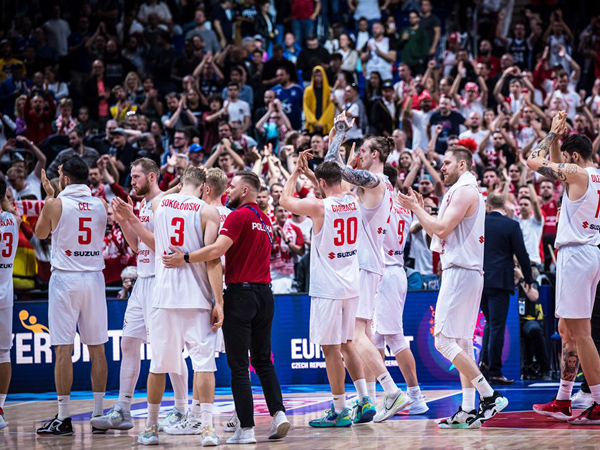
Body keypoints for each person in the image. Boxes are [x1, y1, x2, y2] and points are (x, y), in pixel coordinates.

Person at [162, 171, 291, 444]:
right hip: (265, 295)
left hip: (240, 295)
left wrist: (184, 257)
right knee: (263, 360)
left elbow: (216, 251)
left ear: (245, 190)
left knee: (239, 365)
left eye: (233, 186)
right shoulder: (266, 220)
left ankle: (246, 429)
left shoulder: (238, 216)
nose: (229, 190)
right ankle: (278, 414)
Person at [398, 146, 508, 429]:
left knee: (443, 340)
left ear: (462, 164)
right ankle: (468, 410)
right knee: (461, 343)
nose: (442, 167)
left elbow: (441, 229)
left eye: (446, 163)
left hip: (461, 272)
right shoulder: (462, 189)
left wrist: (416, 209)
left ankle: (489, 395)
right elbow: (440, 227)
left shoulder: (465, 191)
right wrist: (421, 210)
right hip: (465, 271)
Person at [90, 159, 190, 433]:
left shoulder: (166, 205)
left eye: (135, 177)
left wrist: (130, 217)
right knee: (129, 344)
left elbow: (161, 246)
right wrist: (123, 221)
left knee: (166, 349)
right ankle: (123, 410)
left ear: (151, 176)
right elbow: (137, 245)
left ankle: (182, 408)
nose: (131, 182)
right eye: (131, 177)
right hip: (141, 282)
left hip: (161, 282)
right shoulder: (145, 205)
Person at [325, 114, 411, 422]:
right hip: (369, 263)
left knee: (356, 334)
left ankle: (391, 392)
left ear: (375, 155)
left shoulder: (375, 181)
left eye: (362, 149)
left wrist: (340, 132)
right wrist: (340, 136)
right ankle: (370, 397)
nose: (359, 152)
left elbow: (333, 168)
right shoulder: (382, 184)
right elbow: (334, 175)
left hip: (363, 265)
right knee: (354, 335)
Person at [280, 155, 376, 427]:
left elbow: (285, 201)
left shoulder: (319, 207)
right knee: (348, 344)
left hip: (327, 288)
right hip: (351, 284)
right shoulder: (354, 200)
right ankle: (365, 399)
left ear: (321, 183)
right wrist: (313, 175)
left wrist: (295, 173)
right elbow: (331, 187)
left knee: (330, 348)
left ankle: (340, 409)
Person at [137, 167, 223, 446]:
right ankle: (208, 429)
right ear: (204, 187)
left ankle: (150, 428)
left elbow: (151, 236)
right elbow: (212, 259)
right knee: (204, 366)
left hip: (163, 298)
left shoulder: (159, 205)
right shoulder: (208, 212)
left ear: (182, 182)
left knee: (158, 366)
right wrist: (218, 301)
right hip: (196, 298)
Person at [529, 113, 600, 424]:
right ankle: (562, 400)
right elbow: (559, 167)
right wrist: (559, 139)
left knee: (582, 335)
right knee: (566, 331)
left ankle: (598, 402)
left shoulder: (576, 173)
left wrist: (549, 133)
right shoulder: (592, 175)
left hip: (576, 255)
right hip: (587, 252)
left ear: (574, 157)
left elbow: (534, 161)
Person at [35, 159, 108, 436]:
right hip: (94, 279)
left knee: (63, 349)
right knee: (97, 347)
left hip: (65, 279)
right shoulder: (100, 204)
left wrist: (49, 198)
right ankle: (99, 413)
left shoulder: (55, 203)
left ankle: (64, 417)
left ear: (64, 179)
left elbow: (41, 233)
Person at [373, 165, 428, 414]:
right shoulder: (403, 204)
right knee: (374, 340)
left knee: (394, 338)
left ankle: (416, 397)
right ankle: (376, 396)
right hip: (394, 271)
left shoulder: (382, 202)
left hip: (386, 273)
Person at [479, 193, 532, 384]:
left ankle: (484, 365)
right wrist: (529, 277)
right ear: (504, 207)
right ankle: (494, 371)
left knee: (490, 323)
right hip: (500, 281)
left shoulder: (479, 223)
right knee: (497, 325)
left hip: (479, 280)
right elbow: (522, 254)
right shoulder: (511, 225)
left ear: (488, 206)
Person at [0, 178, 20, 430]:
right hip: (5, 293)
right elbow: (9, 208)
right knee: (3, 353)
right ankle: (0, 408)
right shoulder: (12, 221)